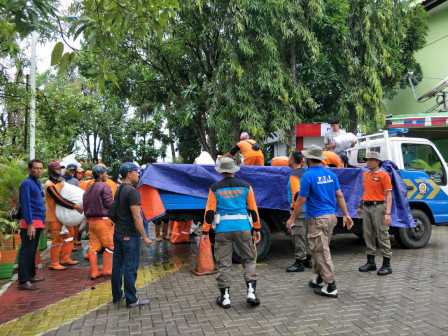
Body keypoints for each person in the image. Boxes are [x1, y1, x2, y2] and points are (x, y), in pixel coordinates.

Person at [286, 145, 353, 298]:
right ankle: (319, 277)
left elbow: (301, 199)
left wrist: (292, 218)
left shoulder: (307, 176)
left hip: (317, 218)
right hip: (331, 217)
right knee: (318, 248)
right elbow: (340, 196)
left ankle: (331, 286)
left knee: (321, 251)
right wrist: (346, 215)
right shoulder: (330, 174)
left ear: (308, 159)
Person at [201, 157, 262, 309]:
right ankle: (251, 293)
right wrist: (257, 228)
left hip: (223, 230)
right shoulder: (246, 186)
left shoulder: (215, 188)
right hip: (243, 228)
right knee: (248, 260)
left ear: (221, 172)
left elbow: (209, 212)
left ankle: (225, 297)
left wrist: (204, 231)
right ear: (234, 170)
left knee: (224, 263)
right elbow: (253, 209)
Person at [111, 162, 152, 308]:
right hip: (129, 235)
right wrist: (145, 237)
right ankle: (132, 299)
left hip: (118, 233)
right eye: (136, 172)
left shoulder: (119, 189)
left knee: (117, 266)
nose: (138, 174)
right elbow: (137, 217)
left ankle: (117, 295)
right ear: (129, 174)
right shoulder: (132, 191)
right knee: (130, 268)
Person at [357, 151, 393, 275]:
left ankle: (386, 264)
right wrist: (360, 206)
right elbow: (366, 191)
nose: (368, 161)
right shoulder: (365, 175)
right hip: (366, 207)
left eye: (371, 159)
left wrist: (388, 213)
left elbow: (388, 194)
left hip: (378, 207)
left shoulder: (384, 175)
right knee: (368, 234)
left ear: (378, 161)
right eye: (367, 159)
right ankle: (370, 262)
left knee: (382, 234)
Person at [44, 161, 84, 270]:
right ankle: (54, 263)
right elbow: (59, 200)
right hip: (54, 217)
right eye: (57, 169)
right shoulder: (49, 185)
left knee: (70, 236)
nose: (59, 171)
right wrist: (76, 206)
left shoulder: (61, 182)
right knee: (56, 240)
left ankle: (66, 258)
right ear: (52, 170)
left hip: (65, 216)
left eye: (60, 169)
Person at [17, 159, 46, 290]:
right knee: (26, 251)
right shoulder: (26, 183)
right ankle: (23, 281)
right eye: (36, 168)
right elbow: (26, 205)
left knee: (33, 251)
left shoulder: (37, 183)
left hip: (38, 221)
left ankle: (31, 275)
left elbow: (39, 204)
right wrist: (30, 224)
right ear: (29, 169)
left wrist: (43, 222)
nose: (39, 170)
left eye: (41, 168)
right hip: (30, 222)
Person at [83, 165, 115, 280]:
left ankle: (94, 272)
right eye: (106, 173)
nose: (107, 175)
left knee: (93, 248)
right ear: (100, 175)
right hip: (103, 221)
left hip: (91, 222)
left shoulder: (89, 188)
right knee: (111, 245)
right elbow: (109, 204)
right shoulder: (105, 186)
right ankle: (107, 270)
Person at [285, 151, 312, 272]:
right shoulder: (306, 173)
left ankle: (299, 262)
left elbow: (297, 195)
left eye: (288, 158)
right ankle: (308, 259)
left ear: (292, 161)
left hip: (300, 210)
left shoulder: (295, 175)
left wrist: (292, 211)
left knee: (298, 236)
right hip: (309, 209)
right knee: (308, 235)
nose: (287, 159)